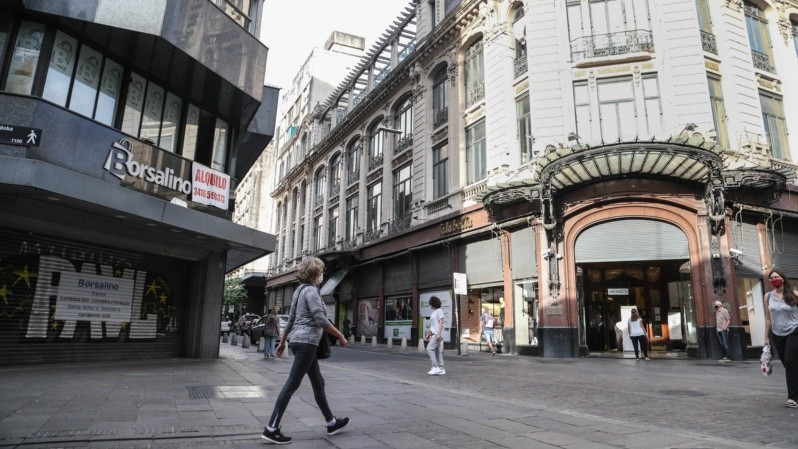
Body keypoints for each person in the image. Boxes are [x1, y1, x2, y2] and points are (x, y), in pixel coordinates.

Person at [261, 257, 350, 444]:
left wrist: (283, 342)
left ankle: (331, 422)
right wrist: (340, 335)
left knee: (318, 382)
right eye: (321, 271)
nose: (323, 274)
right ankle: (271, 428)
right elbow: (320, 319)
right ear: (314, 273)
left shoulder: (299, 291)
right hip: (306, 342)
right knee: (291, 385)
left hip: (299, 341)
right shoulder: (311, 291)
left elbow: (292, 319)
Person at [763, 269, 798, 409]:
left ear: (783, 279)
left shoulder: (794, 294)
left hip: (794, 331)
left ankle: (792, 398)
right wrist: (766, 337)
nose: (774, 280)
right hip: (777, 334)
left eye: (776, 277)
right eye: (771, 278)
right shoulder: (768, 296)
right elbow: (768, 318)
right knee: (789, 365)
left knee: (790, 360)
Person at [425, 295, 445, 375]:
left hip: (437, 334)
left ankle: (435, 367)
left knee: (429, 349)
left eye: (430, 303)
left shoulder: (439, 311)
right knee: (437, 351)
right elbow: (433, 325)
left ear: (432, 303)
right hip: (434, 333)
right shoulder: (434, 312)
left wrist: (438, 334)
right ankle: (441, 368)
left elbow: (441, 322)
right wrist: (429, 334)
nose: (429, 305)